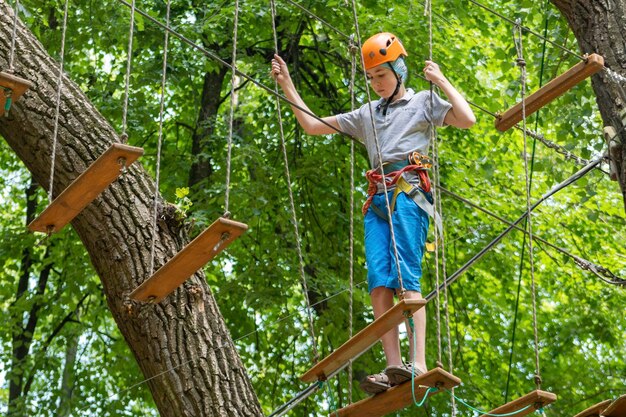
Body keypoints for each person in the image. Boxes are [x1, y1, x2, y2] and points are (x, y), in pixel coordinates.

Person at [271, 32, 475, 394]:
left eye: (381, 75)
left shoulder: (423, 102)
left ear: (399, 70)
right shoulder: (367, 113)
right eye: (370, 78)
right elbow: (313, 125)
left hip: (408, 194)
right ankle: (394, 366)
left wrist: (441, 80)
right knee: (379, 284)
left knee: (406, 278)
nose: (376, 83)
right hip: (377, 200)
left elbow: (467, 118)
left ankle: (419, 362)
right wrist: (288, 86)